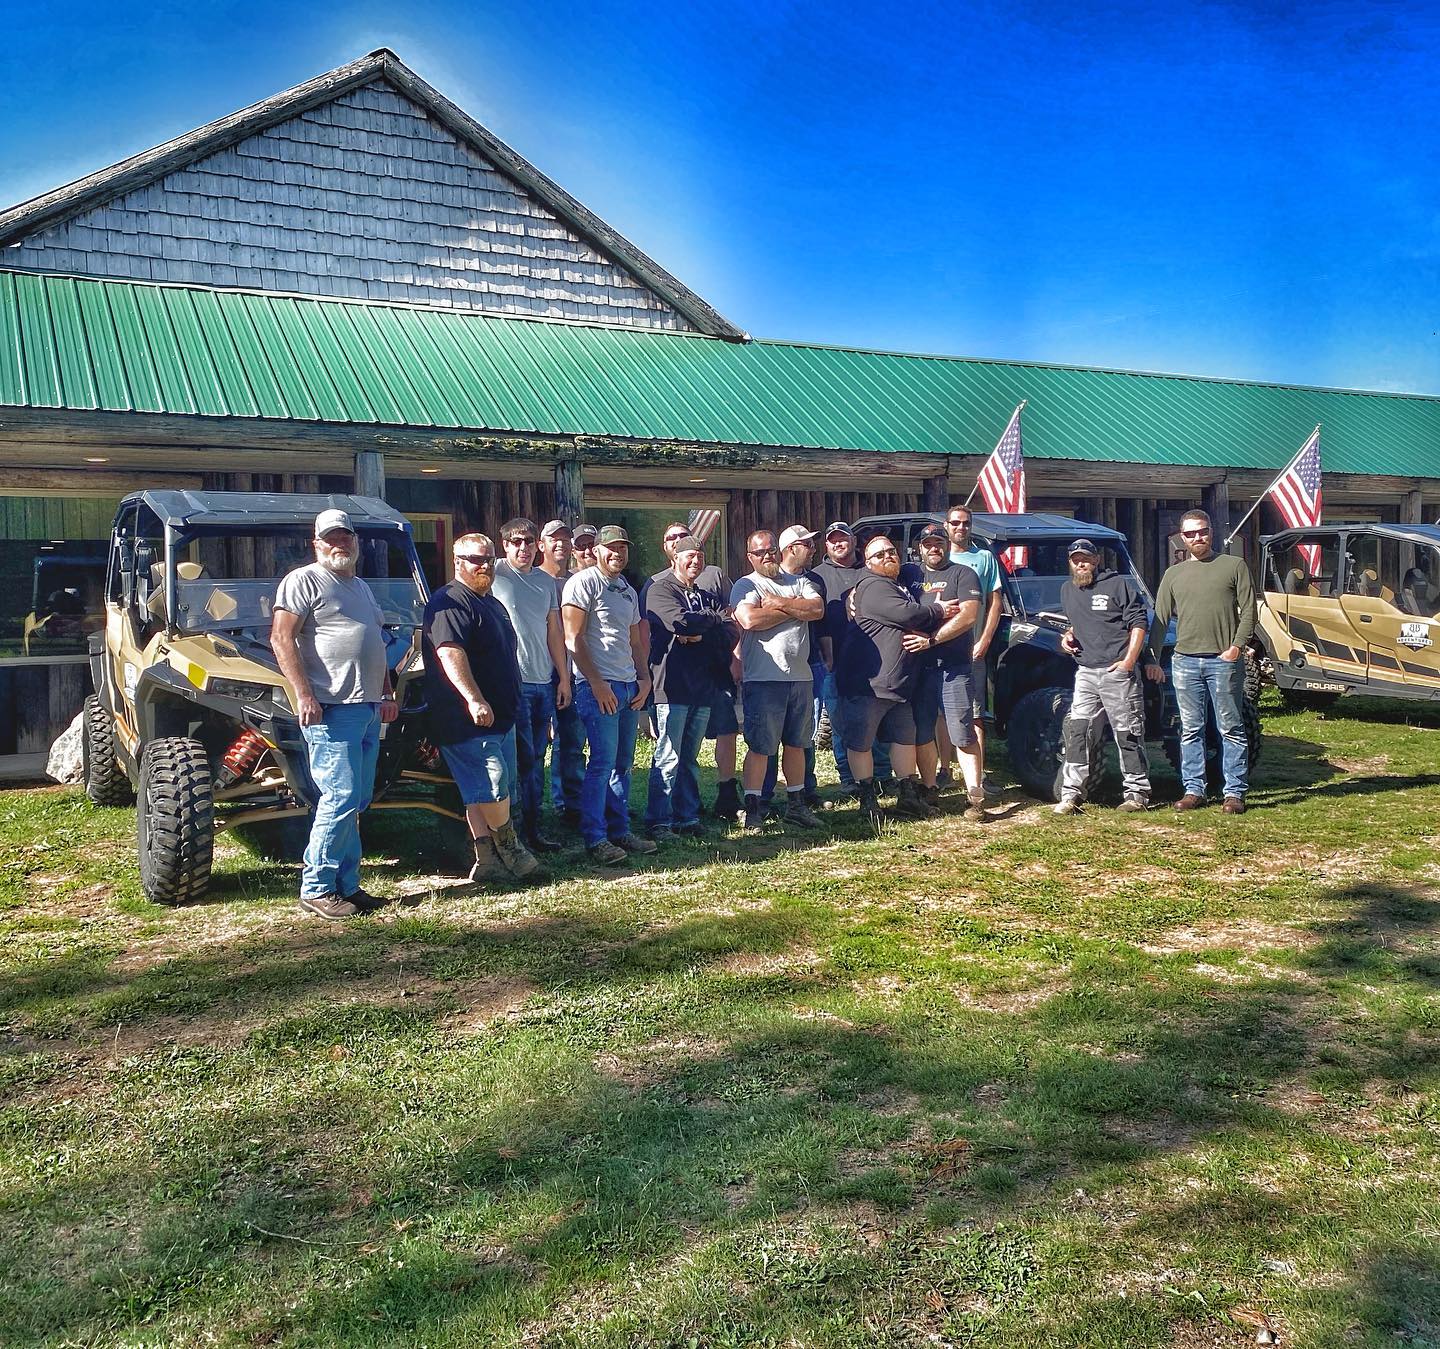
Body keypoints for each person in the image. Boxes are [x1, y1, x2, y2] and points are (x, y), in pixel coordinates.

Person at [272, 508, 399, 919]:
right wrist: (304, 693)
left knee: (357, 799)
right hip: (330, 708)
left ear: (356, 542)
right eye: (331, 538)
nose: (339, 543)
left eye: (346, 536)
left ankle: (347, 884)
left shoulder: (359, 586)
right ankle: (317, 886)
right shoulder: (303, 581)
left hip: (365, 706)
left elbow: (375, 642)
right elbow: (281, 638)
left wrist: (386, 690)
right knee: (339, 796)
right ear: (317, 544)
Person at [421, 533, 541, 885]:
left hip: (501, 715)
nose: (484, 565)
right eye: (475, 559)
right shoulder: (450, 601)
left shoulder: (491, 603)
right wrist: (473, 698)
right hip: (466, 718)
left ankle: (486, 860)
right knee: (492, 783)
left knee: (480, 790)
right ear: (458, 562)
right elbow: (448, 652)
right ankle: (512, 849)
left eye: (488, 558)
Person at [837, 533, 959, 822]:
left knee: (904, 739)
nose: (887, 556)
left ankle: (907, 795)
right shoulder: (873, 585)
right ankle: (867, 800)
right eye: (879, 555)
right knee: (861, 743)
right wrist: (939, 609)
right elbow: (907, 614)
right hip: (868, 684)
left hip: (900, 685)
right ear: (867, 563)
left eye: (891, 551)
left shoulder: (897, 582)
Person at [1148, 508, 1257, 814]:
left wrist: (1237, 647)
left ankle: (1234, 793)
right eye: (1191, 533)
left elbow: (1249, 611)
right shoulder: (1174, 574)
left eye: (1203, 531)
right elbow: (1159, 620)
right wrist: (1152, 658)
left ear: (1212, 532)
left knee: (1231, 728)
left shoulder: (1234, 566)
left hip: (1223, 661)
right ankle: (1194, 790)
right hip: (1184, 662)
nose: (1198, 537)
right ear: (1182, 538)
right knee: (1190, 729)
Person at [562, 525, 657, 864]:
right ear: (597, 551)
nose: (617, 553)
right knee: (601, 763)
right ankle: (595, 837)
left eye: (623, 548)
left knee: (623, 764)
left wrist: (645, 679)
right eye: (611, 548)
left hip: (628, 686)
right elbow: (573, 638)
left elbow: (634, 642)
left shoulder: (627, 590)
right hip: (597, 686)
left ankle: (620, 830)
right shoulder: (583, 582)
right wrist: (597, 682)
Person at [1054, 538, 1162, 815]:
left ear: (1097, 560)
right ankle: (1071, 794)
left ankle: (1136, 793)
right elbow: (1075, 625)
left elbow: (1138, 623)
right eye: (1076, 559)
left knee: (1127, 733)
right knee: (1077, 731)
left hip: (1117, 673)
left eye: (1086, 558)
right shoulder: (1068, 590)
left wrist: (1128, 661)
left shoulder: (1118, 585)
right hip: (1086, 672)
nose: (1081, 563)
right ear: (1070, 562)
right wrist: (1067, 637)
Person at [731, 529, 825, 832]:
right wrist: (793, 607)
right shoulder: (747, 584)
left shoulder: (801, 582)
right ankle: (754, 809)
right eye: (760, 552)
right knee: (761, 747)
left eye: (771, 549)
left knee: (797, 744)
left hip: (800, 677)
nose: (767, 555)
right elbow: (749, 620)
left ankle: (796, 805)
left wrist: (777, 603)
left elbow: (817, 609)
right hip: (763, 678)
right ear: (750, 557)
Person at [645, 522, 741, 819]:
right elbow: (679, 622)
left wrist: (706, 626)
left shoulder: (706, 596)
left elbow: (731, 633)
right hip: (671, 687)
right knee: (668, 756)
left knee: (689, 759)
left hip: (703, 688)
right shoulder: (660, 590)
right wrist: (710, 622)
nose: (695, 561)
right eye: (689, 556)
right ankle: (659, 820)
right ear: (675, 557)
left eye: (700, 556)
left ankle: (687, 817)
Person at [491, 517, 571, 853]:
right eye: (516, 542)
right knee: (520, 758)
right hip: (514, 682)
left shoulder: (545, 582)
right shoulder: (493, 572)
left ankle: (534, 829)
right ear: (505, 544)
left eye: (528, 541)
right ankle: (513, 834)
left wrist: (563, 677)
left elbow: (555, 631)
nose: (522, 548)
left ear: (537, 545)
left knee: (538, 757)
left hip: (543, 682)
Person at [911, 524, 985, 817]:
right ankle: (930, 790)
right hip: (918, 668)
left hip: (954, 667)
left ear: (946, 545)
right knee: (923, 731)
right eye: (927, 543)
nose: (933, 548)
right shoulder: (910, 575)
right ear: (919, 548)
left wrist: (931, 639)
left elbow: (968, 616)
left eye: (938, 542)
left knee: (963, 732)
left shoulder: (963, 574)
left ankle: (975, 797)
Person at [946, 505, 1004, 796]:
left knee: (976, 714)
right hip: (939, 649)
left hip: (973, 649)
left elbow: (996, 602)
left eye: (966, 523)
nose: (961, 528)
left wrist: (985, 640)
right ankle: (942, 773)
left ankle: (978, 779)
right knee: (938, 714)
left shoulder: (984, 558)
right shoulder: (937, 559)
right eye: (955, 523)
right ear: (947, 526)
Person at [538, 519, 586, 824]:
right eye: (554, 539)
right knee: (535, 744)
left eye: (566, 540)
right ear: (542, 544)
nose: (561, 544)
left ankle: (570, 804)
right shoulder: (531, 578)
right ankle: (530, 810)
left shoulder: (576, 581)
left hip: (573, 672)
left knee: (572, 741)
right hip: (539, 673)